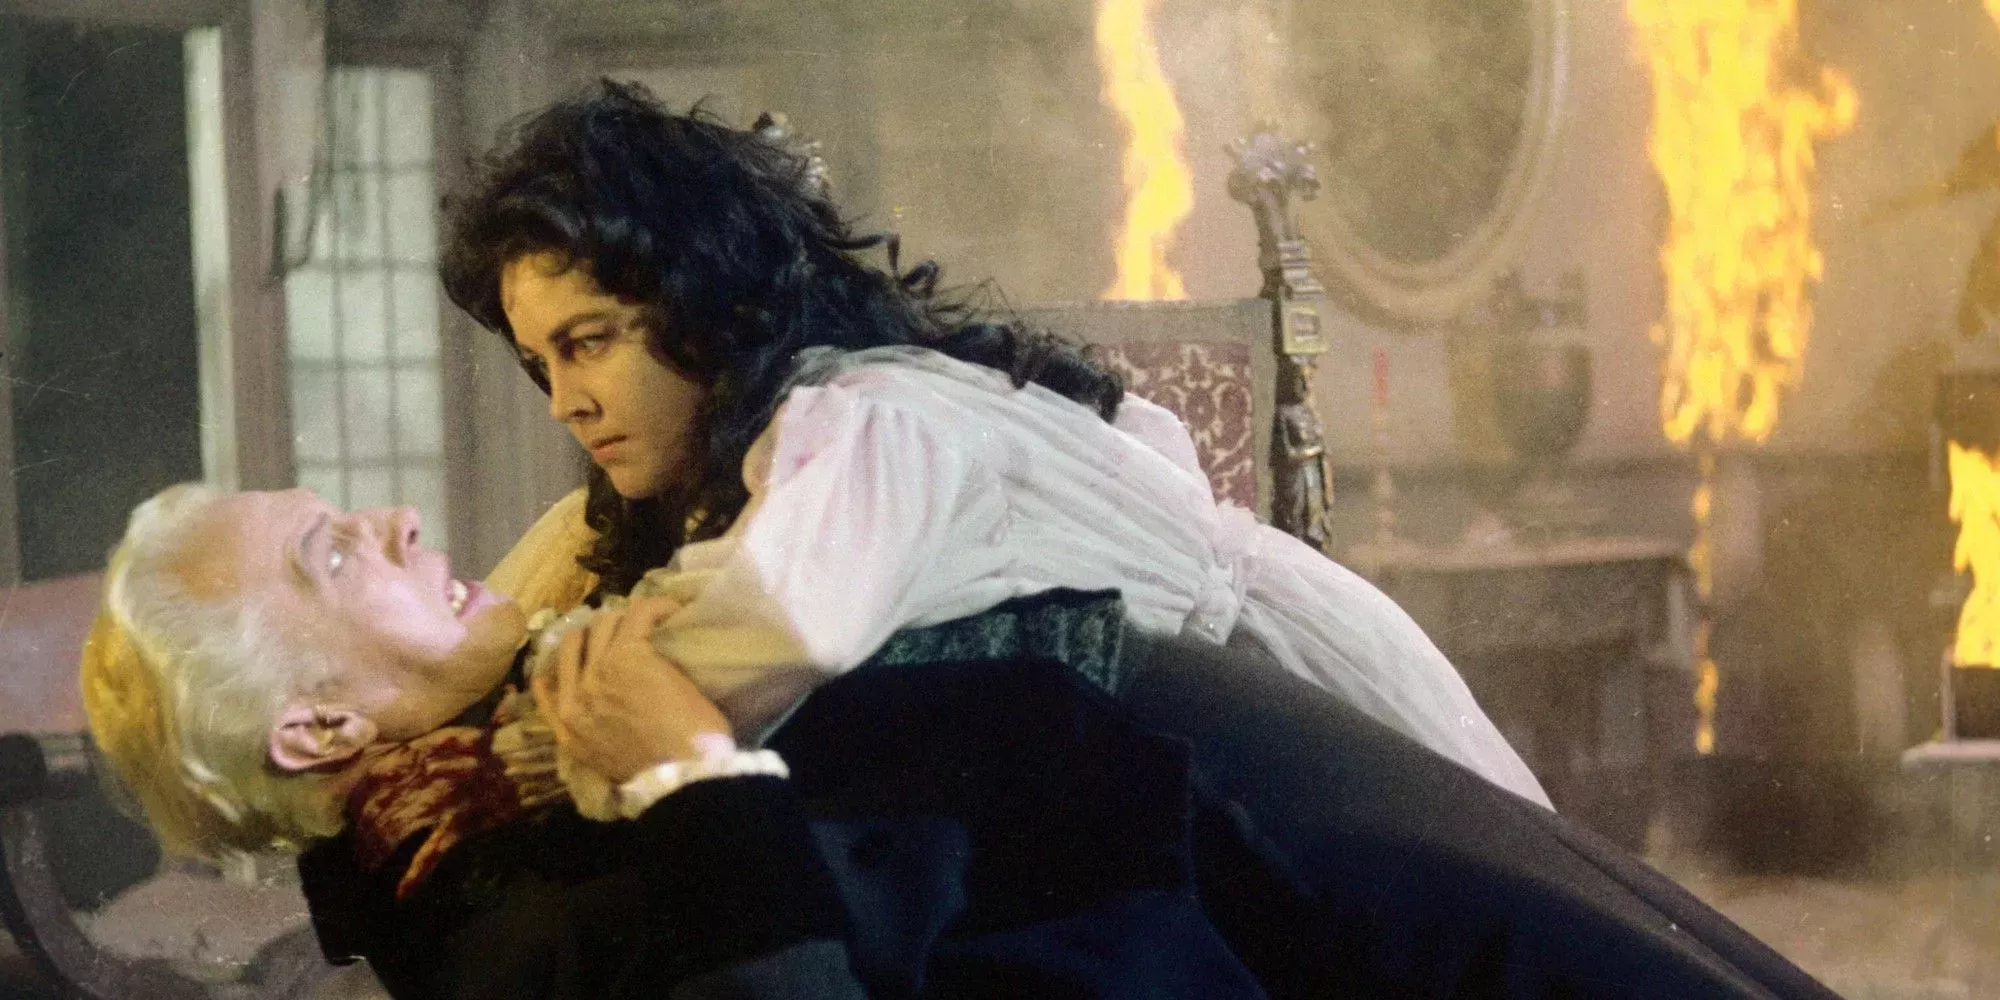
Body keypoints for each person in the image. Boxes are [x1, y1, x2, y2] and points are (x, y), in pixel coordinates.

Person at [81, 485, 1841, 999]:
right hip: (1236, 896)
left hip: (1242, 818)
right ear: (319, 723)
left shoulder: (524, 714)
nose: (394, 520)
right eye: (334, 557)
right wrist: (696, 775)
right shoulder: (486, 924)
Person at [442, 79, 1549, 806]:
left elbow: (776, 621)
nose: (565, 402)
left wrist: (527, 736)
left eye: (588, 343)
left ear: (706, 298)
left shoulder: (869, 417)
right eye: (542, 364)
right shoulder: (811, 432)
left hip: (1284, 738)